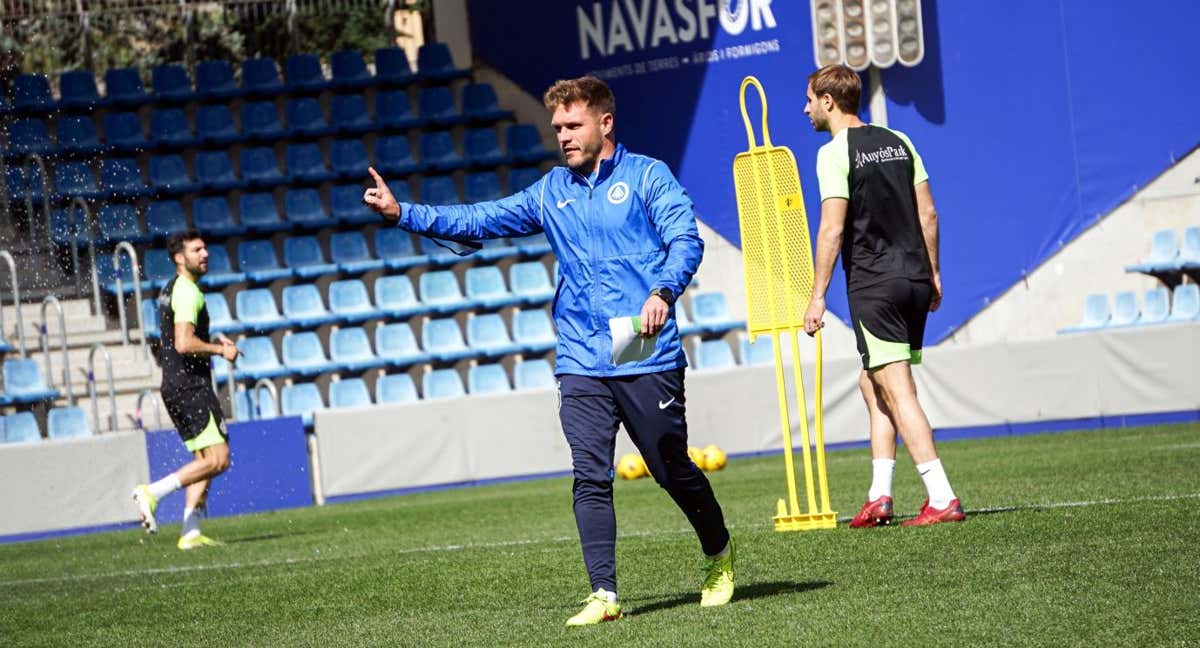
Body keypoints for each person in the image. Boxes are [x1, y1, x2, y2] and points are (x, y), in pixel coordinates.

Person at [363, 75, 734, 625]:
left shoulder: (648, 176)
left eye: (573, 124)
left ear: (605, 123)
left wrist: (662, 291)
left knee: (667, 465)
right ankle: (604, 595)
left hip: (644, 350)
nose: (562, 135)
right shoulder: (549, 191)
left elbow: (686, 240)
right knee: (589, 473)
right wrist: (405, 215)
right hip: (580, 356)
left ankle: (719, 554)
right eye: (556, 126)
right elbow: (482, 219)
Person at [801, 64, 965, 527]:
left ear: (830, 102)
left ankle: (941, 496)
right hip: (914, 280)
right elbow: (928, 214)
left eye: (810, 99)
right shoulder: (900, 140)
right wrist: (933, 273)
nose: (806, 108)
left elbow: (832, 227)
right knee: (871, 383)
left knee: (897, 389)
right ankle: (880, 496)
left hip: (875, 284)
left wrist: (817, 296)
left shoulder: (833, 153)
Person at [131, 230, 241, 549]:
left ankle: (191, 530)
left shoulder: (171, 288)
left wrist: (211, 340)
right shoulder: (188, 292)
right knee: (219, 460)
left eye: (206, 248)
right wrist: (221, 351)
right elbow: (183, 343)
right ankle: (152, 492)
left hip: (174, 386)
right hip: (191, 387)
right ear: (180, 258)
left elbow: (181, 334)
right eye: (197, 250)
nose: (205, 254)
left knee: (203, 458)